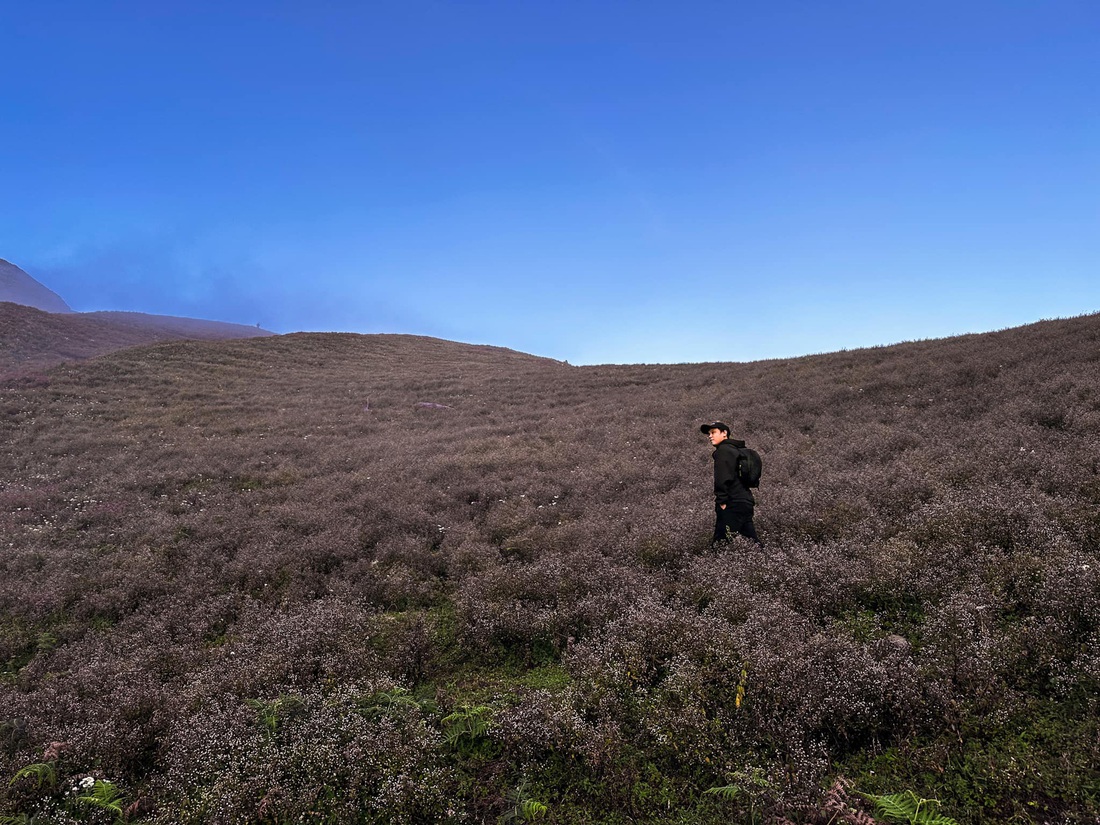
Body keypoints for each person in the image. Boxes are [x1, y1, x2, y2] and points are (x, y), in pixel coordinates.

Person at [700, 421, 760, 545]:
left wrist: (721, 501)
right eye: (709, 434)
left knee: (720, 542)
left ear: (724, 433)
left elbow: (722, 477)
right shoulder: (736, 450)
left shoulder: (723, 451)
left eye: (713, 432)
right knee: (751, 540)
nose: (710, 436)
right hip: (746, 501)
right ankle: (766, 560)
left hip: (732, 502)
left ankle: (715, 563)